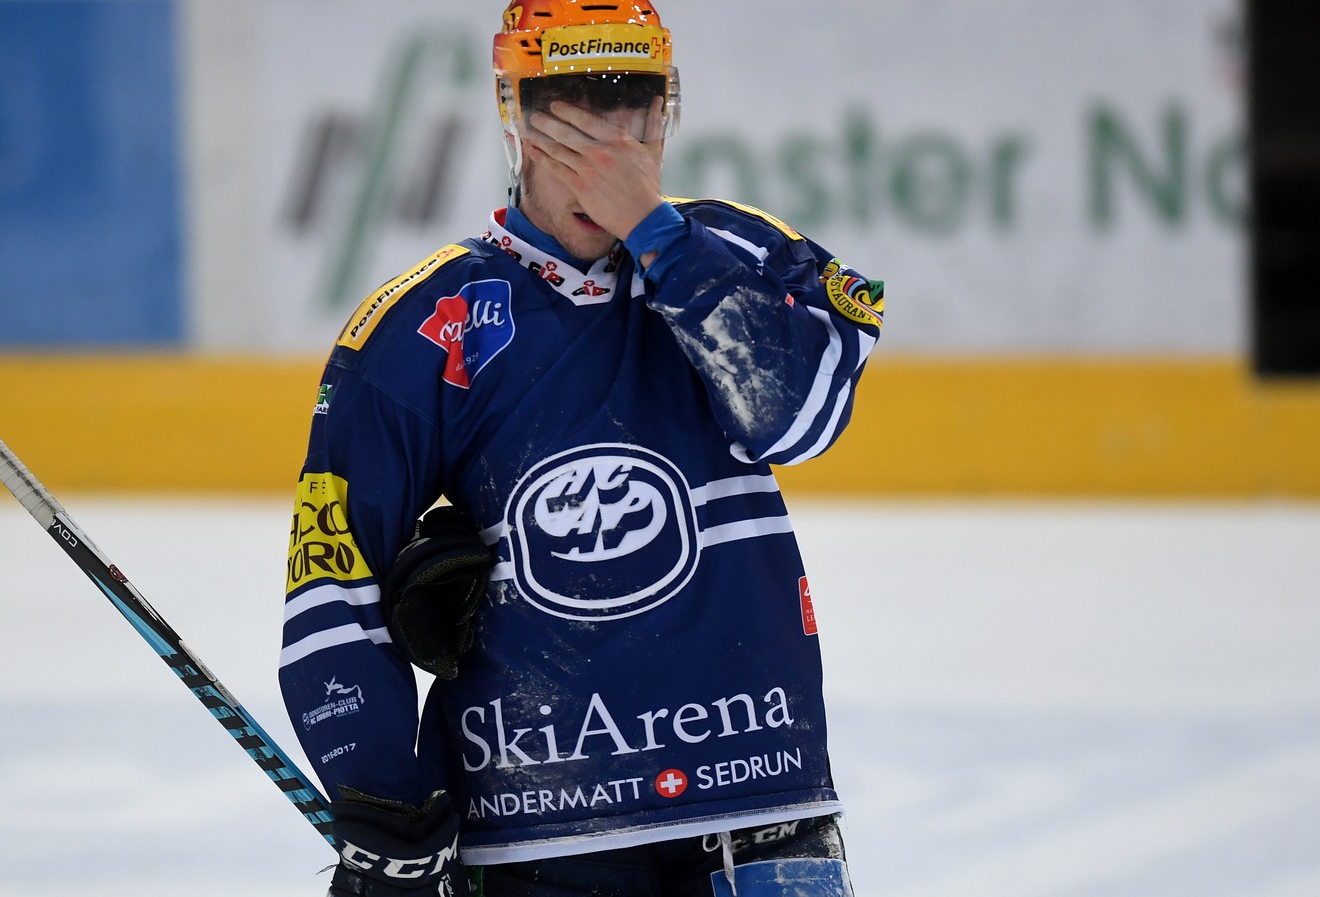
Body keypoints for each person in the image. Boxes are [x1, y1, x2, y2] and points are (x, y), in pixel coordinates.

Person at [279, 2, 884, 895]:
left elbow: (794, 419)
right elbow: (332, 584)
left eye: (632, 104)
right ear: (513, 112)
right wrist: (384, 801)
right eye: (569, 107)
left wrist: (663, 238)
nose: (606, 141)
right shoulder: (417, 327)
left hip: (760, 818)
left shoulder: (749, 253)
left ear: (666, 110)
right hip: (538, 838)